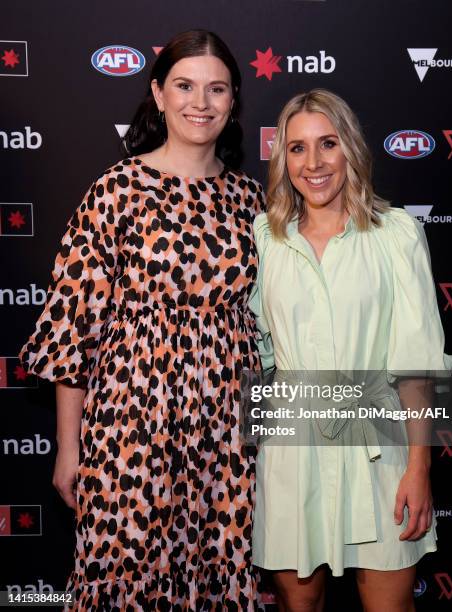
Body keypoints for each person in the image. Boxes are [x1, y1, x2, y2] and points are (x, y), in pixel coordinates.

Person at [20, 29, 265, 611]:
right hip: (132, 427)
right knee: (127, 580)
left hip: (227, 434)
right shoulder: (115, 192)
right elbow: (72, 328)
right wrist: (68, 446)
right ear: (158, 94)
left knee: (222, 576)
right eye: (184, 85)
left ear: (233, 103)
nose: (199, 102)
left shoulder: (253, 202)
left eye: (216, 89)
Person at [249, 89, 452, 612]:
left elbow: (417, 365)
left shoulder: (395, 234)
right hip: (291, 450)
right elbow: (256, 350)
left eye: (328, 144)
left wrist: (419, 468)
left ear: (351, 150)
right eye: (297, 148)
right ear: (283, 158)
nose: (313, 163)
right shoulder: (265, 238)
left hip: (382, 451)